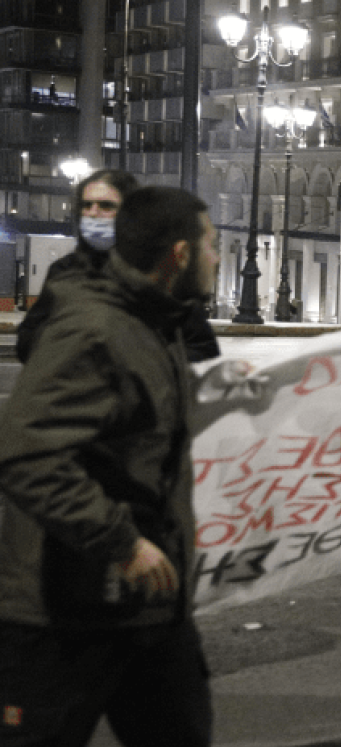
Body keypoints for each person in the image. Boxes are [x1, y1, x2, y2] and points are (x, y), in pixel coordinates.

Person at [0, 186, 221, 747]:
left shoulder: (158, 323)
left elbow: (145, 432)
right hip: (67, 615)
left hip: (149, 609)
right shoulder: (94, 329)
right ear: (179, 254)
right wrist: (122, 542)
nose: (218, 257)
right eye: (213, 244)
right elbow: (28, 455)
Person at [18, 170, 219, 364]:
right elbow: (28, 340)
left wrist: (138, 361)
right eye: (87, 205)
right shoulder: (65, 271)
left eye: (106, 206)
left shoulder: (159, 270)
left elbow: (202, 349)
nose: (93, 214)